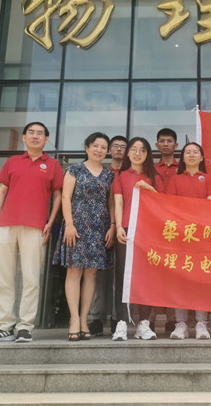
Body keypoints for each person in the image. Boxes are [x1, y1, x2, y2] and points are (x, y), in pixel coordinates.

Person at [0, 122, 63, 343]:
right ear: (24, 137)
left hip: (35, 227)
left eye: (40, 133)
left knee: (31, 278)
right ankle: (4, 326)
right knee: (4, 278)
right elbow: (1, 192)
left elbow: (58, 196)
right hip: (6, 226)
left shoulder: (53, 165)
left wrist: (50, 222)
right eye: (31, 133)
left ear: (46, 139)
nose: (35, 136)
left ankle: (25, 326)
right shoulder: (13, 162)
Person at [52, 133, 115, 341]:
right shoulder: (75, 170)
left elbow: (111, 203)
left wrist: (112, 226)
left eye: (103, 147)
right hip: (76, 226)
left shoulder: (109, 175)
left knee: (91, 274)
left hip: (99, 228)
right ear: (87, 148)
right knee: (74, 271)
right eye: (95, 146)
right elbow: (66, 197)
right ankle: (73, 319)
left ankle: (84, 319)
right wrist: (69, 224)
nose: (99, 150)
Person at [112, 137, 164, 340]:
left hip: (148, 231)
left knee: (146, 278)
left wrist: (149, 188)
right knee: (123, 276)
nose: (137, 153)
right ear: (128, 153)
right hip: (126, 229)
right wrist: (118, 226)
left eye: (142, 150)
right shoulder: (121, 176)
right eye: (134, 149)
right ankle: (122, 322)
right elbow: (118, 203)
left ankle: (144, 323)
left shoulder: (155, 177)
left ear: (147, 154)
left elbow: (163, 203)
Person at [166, 142, 211, 340]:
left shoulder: (209, 179)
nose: (191, 155)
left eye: (195, 152)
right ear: (183, 157)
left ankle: (201, 323)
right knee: (180, 280)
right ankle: (181, 324)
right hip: (181, 235)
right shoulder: (175, 179)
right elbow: (170, 205)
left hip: (202, 235)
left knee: (201, 279)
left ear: (202, 157)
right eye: (188, 152)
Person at [88, 135, 127, 337]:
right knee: (98, 274)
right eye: (115, 146)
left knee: (120, 275)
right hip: (99, 228)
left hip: (122, 229)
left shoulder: (129, 174)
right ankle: (96, 318)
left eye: (123, 147)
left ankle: (117, 318)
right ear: (109, 150)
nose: (119, 149)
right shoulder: (102, 172)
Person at [153, 128, 179, 332]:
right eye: (162, 141)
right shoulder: (151, 169)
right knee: (154, 272)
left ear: (176, 145)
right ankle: (150, 319)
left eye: (169, 141)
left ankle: (173, 319)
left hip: (179, 227)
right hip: (155, 225)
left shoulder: (183, 168)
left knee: (175, 272)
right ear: (156, 145)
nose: (166, 144)